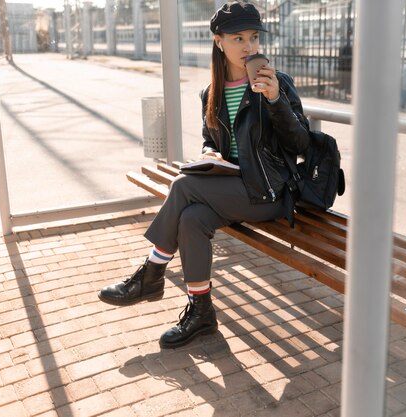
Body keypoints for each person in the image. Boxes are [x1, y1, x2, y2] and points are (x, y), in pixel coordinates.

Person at [98, 1, 310, 349]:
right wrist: (209, 154)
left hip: (271, 193)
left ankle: (151, 272)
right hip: (233, 189)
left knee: (182, 187)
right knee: (192, 219)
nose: (249, 47)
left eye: (254, 37)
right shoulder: (210, 93)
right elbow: (210, 140)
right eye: (238, 38)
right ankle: (202, 313)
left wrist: (275, 101)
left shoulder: (277, 84)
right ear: (218, 42)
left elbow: (302, 143)